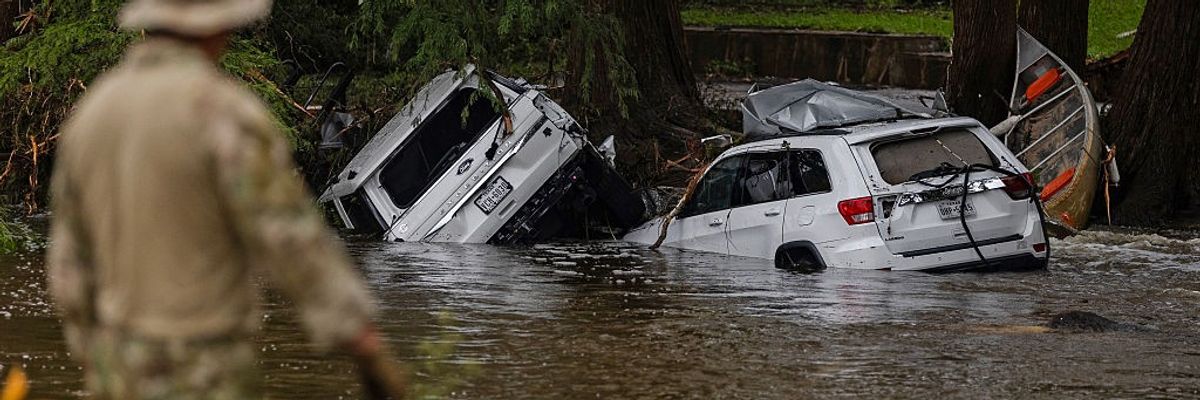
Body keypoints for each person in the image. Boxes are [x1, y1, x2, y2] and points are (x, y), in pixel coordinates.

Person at [45, 0, 398, 398]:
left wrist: (96, 352)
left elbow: (68, 264)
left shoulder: (93, 112)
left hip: (118, 365)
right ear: (217, 28)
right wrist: (358, 333)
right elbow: (287, 236)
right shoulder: (221, 110)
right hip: (205, 365)